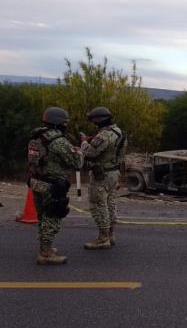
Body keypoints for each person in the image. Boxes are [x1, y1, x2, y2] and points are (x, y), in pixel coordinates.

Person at [27, 107, 82, 265]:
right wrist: (80, 152)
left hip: (36, 182)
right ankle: (45, 254)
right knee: (53, 216)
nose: (66, 125)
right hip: (52, 185)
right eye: (65, 122)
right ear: (58, 123)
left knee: (42, 216)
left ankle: (46, 247)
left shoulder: (36, 136)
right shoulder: (58, 141)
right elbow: (76, 163)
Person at [80, 107, 126, 250]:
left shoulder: (104, 135)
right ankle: (111, 235)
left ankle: (102, 238)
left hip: (102, 175)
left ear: (99, 120)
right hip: (114, 173)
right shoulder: (118, 132)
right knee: (110, 204)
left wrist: (83, 142)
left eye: (94, 120)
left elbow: (90, 152)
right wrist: (92, 140)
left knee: (98, 205)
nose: (93, 123)